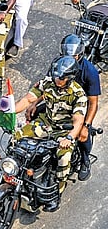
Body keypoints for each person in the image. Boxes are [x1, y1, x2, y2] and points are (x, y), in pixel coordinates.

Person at [15, 56, 87, 212]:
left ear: (70, 78)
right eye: (56, 76)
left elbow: (78, 121)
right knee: (17, 137)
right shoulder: (47, 83)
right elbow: (28, 99)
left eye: (61, 78)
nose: (57, 79)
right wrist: (10, 110)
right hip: (45, 124)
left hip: (64, 131)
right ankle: (15, 171)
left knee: (63, 158)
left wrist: (69, 138)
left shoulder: (78, 94)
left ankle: (57, 193)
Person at [26, 34, 101, 181]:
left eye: (72, 57)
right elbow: (49, 86)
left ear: (79, 56)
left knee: (82, 135)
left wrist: (86, 125)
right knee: (34, 115)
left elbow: (93, 103)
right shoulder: (58, 64)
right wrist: (33, 104)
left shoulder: (90, 72)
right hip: (59, 101)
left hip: (79, 106)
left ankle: (85, 160)